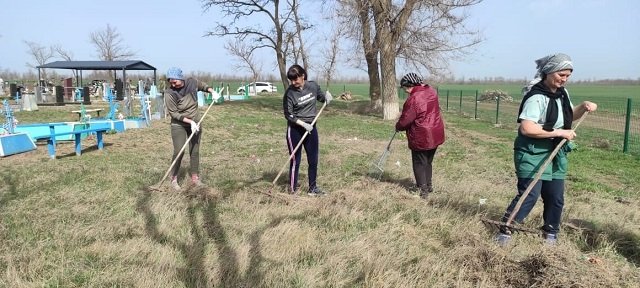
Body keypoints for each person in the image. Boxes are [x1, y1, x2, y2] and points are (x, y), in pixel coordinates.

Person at [496, 53, 597, 246]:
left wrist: (583, 107)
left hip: (556, 152)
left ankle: (550, 233)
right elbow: (527, 128)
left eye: (568, 75)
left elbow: (567, 116)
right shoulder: (536, 96)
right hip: (532, 151)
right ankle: (506, 231)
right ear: (549, 72)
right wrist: (560, 133)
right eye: (561, 74)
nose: (564, 79)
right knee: (529, 195)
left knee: (555, 197)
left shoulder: (562, 93)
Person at [282, 64, 332, 196]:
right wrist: (303, 124)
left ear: (302, 76)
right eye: (291, 80)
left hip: (311, 128)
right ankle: (292, 190)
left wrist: (327, 98)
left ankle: (312, 188)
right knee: (295, 160)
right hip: (295, 129)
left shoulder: (313, 86)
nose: (293, 83)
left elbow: (320, 98)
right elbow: (288, 114)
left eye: (295, 79)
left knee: (313, 159)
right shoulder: (290, 93)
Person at [164, 67, 215, 190]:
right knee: (179, 150)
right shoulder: (169, 93)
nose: (172, 84)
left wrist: (212, 91)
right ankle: (173, 179)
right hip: (179, 124)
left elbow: (203, 86)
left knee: (194, 150)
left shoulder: (192, 82)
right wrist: (189, 121)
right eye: (170, 82)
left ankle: (195, 178)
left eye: (174, 81)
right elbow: (174, 113)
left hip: (195, 123)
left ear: (180, 78)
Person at [395, 73, 446, 199]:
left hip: (422, 135)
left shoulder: (414, 98)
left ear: (409, 86)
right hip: (436, 132)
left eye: (405, 88)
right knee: (428, 162)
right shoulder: (431, 91)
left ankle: (423, 191)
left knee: (419, 163)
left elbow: (406, 119)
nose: (405, 91)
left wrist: (398, 126)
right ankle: (428, 186)